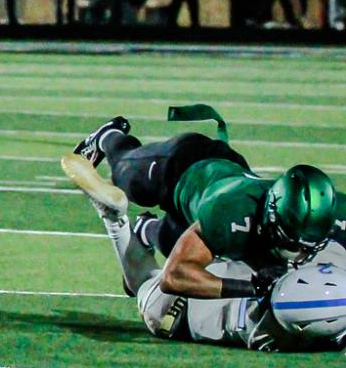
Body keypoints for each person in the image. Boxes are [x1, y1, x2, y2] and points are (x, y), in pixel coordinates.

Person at [64, 115, 343, 350]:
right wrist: (251, 288)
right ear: (270, 215)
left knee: (180, 242)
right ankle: (108, 136)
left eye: (308, 246)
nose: (299, 253)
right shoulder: (232, 213)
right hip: (184, 167)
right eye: (292, 242)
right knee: (125, 172)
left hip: (205, 218)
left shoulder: (335, 214)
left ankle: (145, 231)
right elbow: (175, 276)